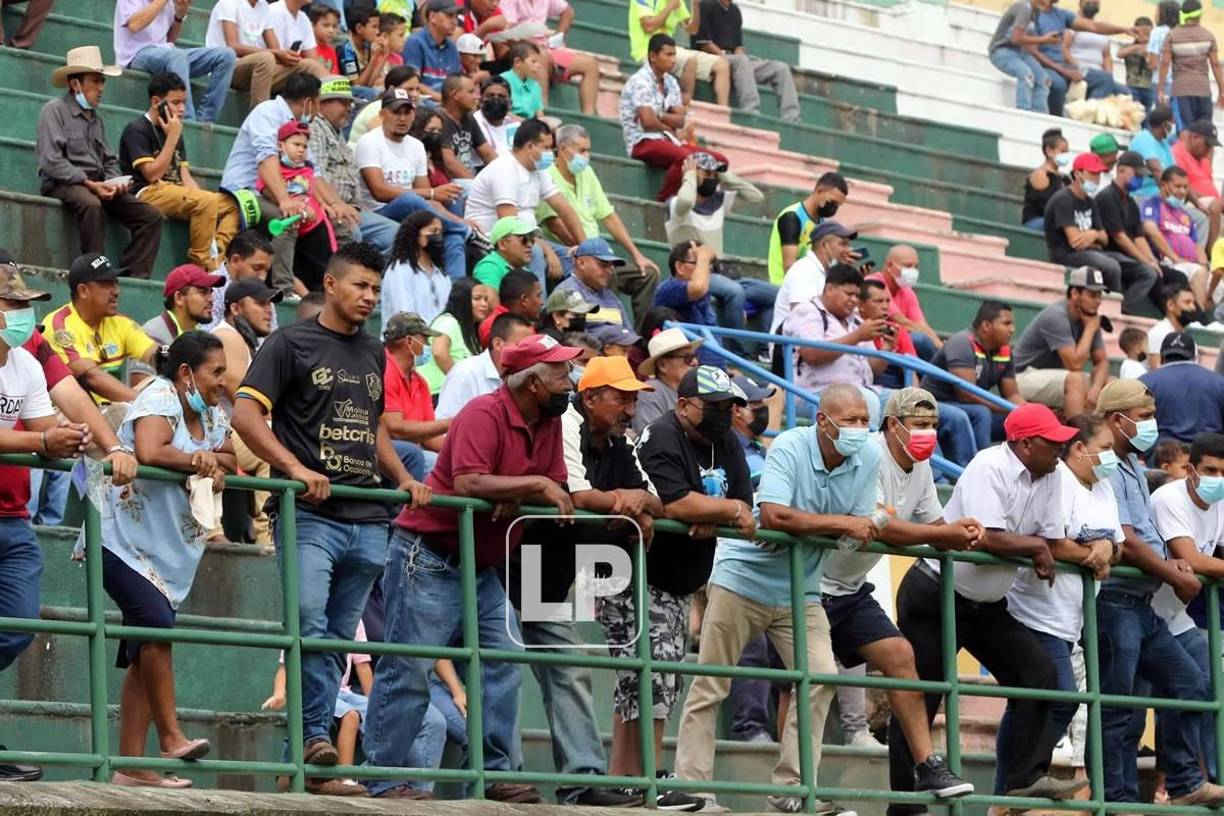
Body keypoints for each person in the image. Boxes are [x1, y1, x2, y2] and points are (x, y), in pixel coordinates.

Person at [232, 242, 430, 795]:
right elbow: (247, 414)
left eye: (375, 288)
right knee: (308, 624)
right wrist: (293, 466)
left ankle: (309, 760)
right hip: (311, 513)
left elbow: (376, 429)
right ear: (332, 284)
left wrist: (406, 479)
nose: (369, 297)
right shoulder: (289, 342)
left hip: (368, 518)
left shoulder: (373, 352)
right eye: (360, 286)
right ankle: (310, 746)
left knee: (337, 640)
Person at [364, 334, 580, 804]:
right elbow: (468, 480)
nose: (570, 381)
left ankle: (493, 774)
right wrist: (524, 486)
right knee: (410, 667)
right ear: (532, 382)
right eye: (560, 372)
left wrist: (512, 492)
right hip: (430, 552)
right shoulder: (483, 412)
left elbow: (555, 486)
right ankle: (383, 778)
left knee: (503, 663)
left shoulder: (548, 422)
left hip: (483, 562)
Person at [892, 403, 1088, 816]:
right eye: (1052, 442)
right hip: (936, 593)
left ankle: (1022, 781)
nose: (1059, 449)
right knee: (921, 696)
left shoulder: (1051, 475)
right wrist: (1034, 547)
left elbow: (1049, 540)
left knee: (1039, 675)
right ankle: (904, 803)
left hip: (986, 603)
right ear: (1025, 443)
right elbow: (985, 537)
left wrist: (1041, 546)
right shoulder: (988, 465)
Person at [497, 354, 651, 809]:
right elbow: (575, 493)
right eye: (621, 398)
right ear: (590, 397)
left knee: (568, 666)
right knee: (492, 666)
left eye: (633, 399)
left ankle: (582, 782)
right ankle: (493, 777)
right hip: (499, 563)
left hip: (545, 575)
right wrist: (624, 504)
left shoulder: (621, 443)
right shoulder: (564, 422)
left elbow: (655, 500)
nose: (629, 408)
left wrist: (634, 503)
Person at [87, 331, 236, 788]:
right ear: (187, 372)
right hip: (121, 541)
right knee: (155, 629)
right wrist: (200, 462)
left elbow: (231, 455)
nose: (222, 383)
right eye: (215, 373)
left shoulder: (210, 411)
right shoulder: (158, 394)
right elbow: (150, 450)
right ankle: (171, 738)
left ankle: (130, 767)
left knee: (143, 653)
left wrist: (213, 460)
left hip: (169, 551)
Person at [625, 366, 754, 811]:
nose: (723, 416)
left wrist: (713, 509)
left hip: (682, 579)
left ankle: (637, 779)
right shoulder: (661, 435)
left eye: (727, 408)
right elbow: (677, 502)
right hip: (636, 572)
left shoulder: (725, 441)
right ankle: (640, 779)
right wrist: (721, 509)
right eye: (713, 407)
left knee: (663, 679)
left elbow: (744, 503)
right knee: (647, 678)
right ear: (682, 405)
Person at [1095, 378, 1224, 806]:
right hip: (1117, 601)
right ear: (1118, 419)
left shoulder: (1131, 462)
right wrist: (1172, 571)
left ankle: (1185, 783)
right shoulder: (1109, 465)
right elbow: (1128, 539)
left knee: (1190, 682)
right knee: (1118, 712)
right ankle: (1119, 802)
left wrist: (1168, 570)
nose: (1154, 425)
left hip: (1143, 604)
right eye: (1146, 417)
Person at [994, 413, 1122, 802]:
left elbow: (1116, 544)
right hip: (1035, 611)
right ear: (1080, 448)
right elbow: (1048, 540)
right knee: (1060, 699)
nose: (1111, 456)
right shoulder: (1058, 479)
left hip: (1069, 617)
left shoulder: (1104, 487)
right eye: (1105, 447)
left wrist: (1105, 551)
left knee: (1027, 706)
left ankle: (1008, 795)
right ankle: (1017, 786)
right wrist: (1094, 553)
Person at [0, 267, 91, 783]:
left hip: (12, 519)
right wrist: (43, 441)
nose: (21, 314)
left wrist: (71, 433)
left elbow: (41, 427)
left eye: (24, 303)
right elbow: (35, 439)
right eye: (11, 303)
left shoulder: (25, 364)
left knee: (17, 625)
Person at [221, 72, 358, 297]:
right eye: (317, 104)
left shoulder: (299, 127)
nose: (317, 111)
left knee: (340, 221)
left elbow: (313, 171)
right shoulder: (267, 113)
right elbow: (267, 160)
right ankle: (284, 289)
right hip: (250, 192)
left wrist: (335, 204)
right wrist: (286, 200)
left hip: (292, 192)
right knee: (288, 220)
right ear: (308, 102)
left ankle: (341, 290)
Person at [39, 48, 163, 281]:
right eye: (96, 81)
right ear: (76, 84)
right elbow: (52, 161)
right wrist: (89, 184)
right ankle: (95, 273)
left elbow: (109, 160)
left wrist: (114, 182)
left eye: (102, 81)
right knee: (91, 205)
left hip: (97, 184)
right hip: (64, 181)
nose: (101, 88)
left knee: (151, 215)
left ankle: (134, 275)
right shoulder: (54, 111)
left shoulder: (96, 120)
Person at [1150, 432, 1224, 791]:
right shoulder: (1169, 497)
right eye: (1210, 470)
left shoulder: (1222, 502)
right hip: (1137, 610)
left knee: (1210, 689)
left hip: (1174, 616)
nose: (1217, 479)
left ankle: (1209, 780)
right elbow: (1191, 558)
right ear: (1191, 469)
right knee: (1126, 713)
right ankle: (1121, 802)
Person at [119, 73, 240, 273]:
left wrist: (202, 197)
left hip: (175, 192)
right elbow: (151, 174)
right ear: (157, 102)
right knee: (205, 202)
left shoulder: (175, 129)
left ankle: (216, 254)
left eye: (184, 102)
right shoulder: (138, 129)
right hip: (148, 192)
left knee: (233, 205)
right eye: (176, 103)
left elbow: (185, 176)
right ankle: (201, 267)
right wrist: (172, 137)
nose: (182, 109)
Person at [538, 124, 663, 313]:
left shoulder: (586, 173)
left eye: (588, 150)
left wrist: (637, 255)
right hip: (572, 254)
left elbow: (609, 217)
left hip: (600, 255)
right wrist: (589, 252)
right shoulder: (548, 175)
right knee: (604, 272)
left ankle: (641, 336)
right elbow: (553, 223)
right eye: (582, 150)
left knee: (647, 274)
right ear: (563, 149)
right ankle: (606, 327)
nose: (586, 156)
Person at [354, 87, 470, 278]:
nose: (402, 118)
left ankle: (456, 297)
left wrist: (437, 202)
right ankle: (466, 231)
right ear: (383, 114)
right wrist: (432, 194)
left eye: (407, 112)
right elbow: (379, 191)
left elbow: (423, 193)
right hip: (378, 212)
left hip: (411, 213)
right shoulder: (369, 141)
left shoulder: (416, 146)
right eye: (396, 112)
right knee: (410, 199)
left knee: (452, 234)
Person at [212, 277, 281, 549]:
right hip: (217, 432)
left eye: (270, 305)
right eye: (261, 303)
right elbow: (243, 399)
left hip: (228, 432)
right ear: (236, 309)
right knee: (272, 447)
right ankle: (268, 538)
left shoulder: (243, 339)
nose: (269, 311)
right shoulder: (228, 336)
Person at [619, 33, 730, 202]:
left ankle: (699, 203)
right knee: (685, 158)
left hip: (669, 141)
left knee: (719, 161)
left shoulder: (670, 82)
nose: (673, 60)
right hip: (642, 142)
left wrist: (660, 116)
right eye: (668, 55)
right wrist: (667, 123)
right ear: (653, 56)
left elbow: (680, 120)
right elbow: (648, 123)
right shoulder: (640, 82)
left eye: (674, 55)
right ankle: (664, 202)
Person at [1045, 152, 1159, 316]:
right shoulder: (1063, 199)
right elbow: (1076, 241)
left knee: (1147, 272)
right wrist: (1095, 237)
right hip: (1068, 254)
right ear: (1078, 174)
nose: (1096, 178)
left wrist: (1093, 235)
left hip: (1093, 251)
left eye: (1098, 173)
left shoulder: (1090, 201)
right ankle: (1110, 312)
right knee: (1111, 267)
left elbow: (1104, 239)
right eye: (1093, 173)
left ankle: (1123, 308)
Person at [43, 253, 159, 406]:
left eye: (116, 283)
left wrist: (173, 360)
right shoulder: (59, 325)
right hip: (69, 417)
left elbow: (156, 355)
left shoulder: (120, 322)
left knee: (160, 383)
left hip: (114, 408)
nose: (116, 291)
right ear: (83, 291)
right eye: (106, 284)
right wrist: (142, 403)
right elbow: (92, 378)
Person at [465, 119, 585, 262]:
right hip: (494, 239)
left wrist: (584, 246)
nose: (550, 154)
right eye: (546, 148)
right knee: (536, 253)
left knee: (575, 260)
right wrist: (546, 250)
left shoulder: (539, 169)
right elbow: (510, 225)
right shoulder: (504, 169)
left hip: (526, 239)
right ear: (529, 147)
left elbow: (563, 207)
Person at [308, 76, 400, 253]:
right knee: (352, 233)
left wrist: (354, 206)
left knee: (397, 235)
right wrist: (338, 204)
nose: (349, 108)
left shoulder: (338, 132)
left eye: (350, 103)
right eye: (343, 103)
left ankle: (372, 274)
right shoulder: (315, 127)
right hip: (329, 207)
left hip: (353, 208)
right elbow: (317, 174)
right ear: (322, 104)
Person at [113, 0, 236, 124]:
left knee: (226, 55)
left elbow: (170, 39)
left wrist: (179, 16)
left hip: (165, 53)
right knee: (177, 55)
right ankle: (188, 121)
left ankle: (206, 120)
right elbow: (135, 25)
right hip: (135, 55)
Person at [926, 300, 1024, 452]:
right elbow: (968, 395)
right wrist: (1012, 409)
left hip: (969, 407)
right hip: (937, 404)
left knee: (1023, 421)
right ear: (986, 326)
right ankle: (977, 469)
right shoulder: (962, 343)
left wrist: (1029, 410)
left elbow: (1012, 394)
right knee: (980, 413)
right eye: (1006, 324)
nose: (1012, 329)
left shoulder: (1005, 351)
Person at [1013, 266, 1108, 416]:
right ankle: (1078, 437)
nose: (1097, 301)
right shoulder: (1056, 315)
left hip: (1055, 378)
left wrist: (1095, 389)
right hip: (1021, 378)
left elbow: (1102, 361)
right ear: (1075, 293)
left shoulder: (1090, 317)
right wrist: (1090, 329)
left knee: (1110, 385)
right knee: (1075, 379)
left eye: (1099, 295)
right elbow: (1074, 364)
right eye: (1092, 295)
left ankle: (1099, 436)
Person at [782, 263, 885, 396]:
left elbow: (874, 368)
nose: (854, 300)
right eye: (849, 294)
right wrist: (857, 337)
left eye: (857, 296)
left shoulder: (857, 321)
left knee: (908, 402)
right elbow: (812, 354)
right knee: (866, 401)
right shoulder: (806, 311)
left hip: (863, 392)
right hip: (815, 395)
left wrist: (887, 347)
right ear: (830, 289)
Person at [1097, 150, 1178, 317]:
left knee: (1165, 272)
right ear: (1120, 170)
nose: (1139, 179)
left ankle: (1174, 315)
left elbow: (1139, 236)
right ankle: (1122, 309)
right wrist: (1145, 262)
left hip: (1126, 255)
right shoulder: (1107, 197)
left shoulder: (1131, 202)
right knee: (1147, 272)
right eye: (1136, 174)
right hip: (1108, 252)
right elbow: (1119, 237)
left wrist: (1151, 260)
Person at [204, 0, 330, 107]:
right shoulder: (229, 2)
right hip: (227, 69)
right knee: (266, 58)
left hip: (258, 68)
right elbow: (233, 46)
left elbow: (276, 49)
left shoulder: (264, 7)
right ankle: (260, 118)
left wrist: (288, 57)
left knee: (310, 65)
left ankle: (329, 113)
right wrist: (275, 53)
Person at [691, 0, 799, 122]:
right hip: (712, 59)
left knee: (780, 68)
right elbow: (705, 44)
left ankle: (792, 118)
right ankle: (751, 111)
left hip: (735, 61)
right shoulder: (706, 5)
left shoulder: (735, 11)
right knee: (741, 61)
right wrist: (733, 58)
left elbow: (738, 47)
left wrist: (742, 59)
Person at [498, 0, 604, 115]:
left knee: (590, 65)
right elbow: (510, 33)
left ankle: (587, 117)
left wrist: (556, 41)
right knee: (541, 55)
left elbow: (568, 12)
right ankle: (543, 110)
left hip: (545, 47)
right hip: (519, 48)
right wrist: (535, 47)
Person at [382, 312, 450, 480]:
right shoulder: (384, 369)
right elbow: (395, 429)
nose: (427, 344)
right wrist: (451, 423)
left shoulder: (419, 382)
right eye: (424, 339)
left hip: (413, 455)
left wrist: (462, 453)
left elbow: (430, 439)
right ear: (410, 341)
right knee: (433, 463)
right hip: (384, 453)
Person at [628, 0, 730, 107]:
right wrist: (670, 6)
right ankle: (684, 107)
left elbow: (692, 30)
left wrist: (695, 6)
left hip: (670, 50)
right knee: (690, 60)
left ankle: (723, 112)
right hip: (647, 50)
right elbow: (648, 26)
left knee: (722, 64)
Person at [435, 311, 534, 418]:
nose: (527, 351)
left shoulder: (524, 374)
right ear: (498, 344)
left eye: (530, 346)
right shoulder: (465, 372)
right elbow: (445, 425)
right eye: (520, 345)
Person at [665, 151, 763, 254]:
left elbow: (756, 196)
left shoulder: (720, 201)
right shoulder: (675, 204)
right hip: (688, 267)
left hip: (715, 267)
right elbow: (686, 201)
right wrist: (690, 175)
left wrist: (727, 178)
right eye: (707, 173)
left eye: (714, 174)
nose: (711, 178)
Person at [1141, 167, 1212, 303]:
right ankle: (1199, 319)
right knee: (1199, 273)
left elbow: (1197, 245)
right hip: (1167, 262)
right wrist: (1175, 258)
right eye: (1177, 186)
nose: (1182, 191)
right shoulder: (1151, 204)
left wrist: (1204, 264)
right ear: (1164, 185)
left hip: (1190, 264)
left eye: (1185, 187)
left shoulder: (1185, 215)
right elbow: (1151, 231)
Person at [772, 220, 855, 335]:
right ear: (824, 245)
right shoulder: (805, 269)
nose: (848, 250)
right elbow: (801, 317)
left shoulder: (829, 273)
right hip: (789, 347)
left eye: (848, 245)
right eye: (843, 244)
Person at [767, 172, 849, 285]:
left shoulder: (821, 224)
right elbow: (789, 268)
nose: (833, 209)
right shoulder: (792, 217)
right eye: (832, 202)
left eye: (837, 206)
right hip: (781, 287)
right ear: (819, 191)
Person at [1142, 332, 1224, 444]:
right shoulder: (1219, 382)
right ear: (1195, 357)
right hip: (1209, 456)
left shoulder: (1144, 382)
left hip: (1162, 455)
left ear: (1161, 357)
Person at [417, 277, 494, 395]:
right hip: (436, 394)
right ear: (462, 300)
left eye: (485, 299)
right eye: (477, 299)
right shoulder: (448, 321)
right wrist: (460, 382)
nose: (484, 304)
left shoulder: (470, 330)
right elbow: (439, 352)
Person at [865, 245, 941, 360]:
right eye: (908, 266)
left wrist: (943, 349)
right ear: (889, 266)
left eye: (916, 267)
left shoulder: (907, 292)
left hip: (900, 347)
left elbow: (922, 325)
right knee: (919, 339)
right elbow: (903, 322)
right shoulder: (875, 284)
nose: (913, 271)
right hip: (875, 346)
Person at [654, 241, 722, 365]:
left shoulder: (703, 295)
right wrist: (704, 256)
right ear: (680, 267)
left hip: (715, 375)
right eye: (699, 263)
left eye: (707, 264)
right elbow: (698, 287)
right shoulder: (668, 289)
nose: (706, 269)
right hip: (687, 375)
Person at [1157, 0, 1224, 124]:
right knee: (1203, 133)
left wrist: (1160, 89)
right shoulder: (1208, 36)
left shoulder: (1172, 36)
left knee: (1185, 132)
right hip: (1203, 91)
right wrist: (1222, 91)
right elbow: (1215, 64)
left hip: (1181, 91)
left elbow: (1165, 63)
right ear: (1200, 15)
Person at [987, 0, 1060, 113]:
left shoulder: (1036, 11)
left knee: (1044, 79)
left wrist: (1048, 40)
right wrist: (1044, 40)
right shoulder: (1024, 8)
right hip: (1001, 50)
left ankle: (1039, 114)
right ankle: (1023, 112)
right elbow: (1016, 38)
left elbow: (1029, 39)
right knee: (1026, 74)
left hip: (1019, 51)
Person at [383, 211, 452, 325]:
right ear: (415, 235)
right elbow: (404, 315)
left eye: (440, 232)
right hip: (407, 338)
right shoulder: (400, 270)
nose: (438, 236)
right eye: (433, 231)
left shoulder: (442, 276)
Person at [201, 230, 277, 334]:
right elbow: (206, 338)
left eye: (266, 271)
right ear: (235, 260)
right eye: (257, 268)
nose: (263, 277)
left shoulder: (265, 295)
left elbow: (273, 338)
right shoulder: (209, 289)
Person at [552, 237, 635, 328]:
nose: (609, 271)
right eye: (603, 265)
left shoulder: (610, 297)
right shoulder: (566, 294)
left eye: (612, 267)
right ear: (581, 263)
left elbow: (630, 333)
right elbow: (573, 339)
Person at [632, 327, 702, 433]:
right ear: (662, 365)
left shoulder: (696, 389)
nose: (695, 362)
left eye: (695, 356)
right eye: (687, 357)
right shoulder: (651, 392)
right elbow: (652, 438)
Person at [142, 264, 225, 349]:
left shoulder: (199, 335)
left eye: (210, 292)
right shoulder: (153, 336)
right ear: (179, 298)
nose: (211, 299)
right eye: (203, 292)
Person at [1061, 0, 1130, 101]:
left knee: (1125, 93)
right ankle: (1089, 111)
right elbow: (1064, 49)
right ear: (1081, 3)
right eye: (1089, 2)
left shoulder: (1101, 29)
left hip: (1099, 74)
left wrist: (1109, 74)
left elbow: (1106, 56)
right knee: (1104, 80)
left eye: (1095, 3)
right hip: (1078, 70)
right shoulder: (1074, 24)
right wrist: (1077, 66)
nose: (1092, 5)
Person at [348, 64, 422, 149]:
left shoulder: (411, 109)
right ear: (391, 88)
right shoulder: (377, 109)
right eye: (409, 89)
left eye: (418, 89)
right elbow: (385, 145)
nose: (415, 94)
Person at [402, 0, 462, 103]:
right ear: (433, 17)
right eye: (450, 16)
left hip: (447, 103)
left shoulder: (452, 47)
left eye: (456, 17)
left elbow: (455, 84)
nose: (455, 22)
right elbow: (412, 83)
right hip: (423, 102)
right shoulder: (415, 42)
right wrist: (443, 100)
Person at [438, 73, 496, 179]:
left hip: (469, 179)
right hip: (450, 183)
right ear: (455, 95)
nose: (477, 97)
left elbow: (487, 153)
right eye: (471, 92)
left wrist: (505, 174)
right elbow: (450, 163)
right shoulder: (439, 119)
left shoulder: (468, 117)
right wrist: (476, 186)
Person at [472, 216, 538, 293]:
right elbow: (488, 303)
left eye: (532, 240)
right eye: (524, 239)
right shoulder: (489, 267)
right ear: (503, 244)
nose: (529, 244)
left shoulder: (524, 270)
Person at [1023, 129, 1069, 232]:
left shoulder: (1064, 178)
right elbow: (1046, 206)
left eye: (1067, 152)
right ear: (1049, 151)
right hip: (1038, 221)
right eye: (1062, 151)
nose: (1065, 155)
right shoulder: (1041, 174)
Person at [1147, 282, 1200, 368]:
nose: (1193, 307)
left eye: (1193, 303)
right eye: (1187, 302)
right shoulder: (1158, 333)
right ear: (1170, 305)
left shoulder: (1188, 337)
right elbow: (1156, 372)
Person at [1129, 105, 1176, 200]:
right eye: (1173, 123)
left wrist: (1198, 204)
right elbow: (1156, 169)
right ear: (1165, 125)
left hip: (1160, 195)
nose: (1174, 127)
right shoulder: (1143, 138)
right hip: (1142, 197)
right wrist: (1172, 197)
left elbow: (1175, 173)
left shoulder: (1164, 143)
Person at [473, 76, 520, 162]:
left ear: (510, 104)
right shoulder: (474, 123)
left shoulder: (516, 126)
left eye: (501, 96)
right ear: (480, 101)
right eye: (490, 96)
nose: (496, 100)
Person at [501, 41, 545, 119]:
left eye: (538, 62)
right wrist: (524, 123)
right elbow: (502, 112)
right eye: (533, 62)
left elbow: (540, 114)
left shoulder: (535, 86)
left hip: (528, 126)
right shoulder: (502, 81)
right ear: (518, 62)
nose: (538, 66)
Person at [1120, 16, 1155, 112]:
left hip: (1149, 87)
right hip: (1132, 86)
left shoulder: (1153, 49)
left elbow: (1155, 65)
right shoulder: (1129, 47)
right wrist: (1137, 47)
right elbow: (1120, 54)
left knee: (1147, 116)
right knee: (1134, 113)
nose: (1143, 36)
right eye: (1140, 33)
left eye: (1147, 34)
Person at [308, 4, 341, 75]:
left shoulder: (331, 51)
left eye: (334, 26)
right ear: (312, 25)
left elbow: (335, 76)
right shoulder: (307, 50)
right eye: (326, 25)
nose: (331, 30)